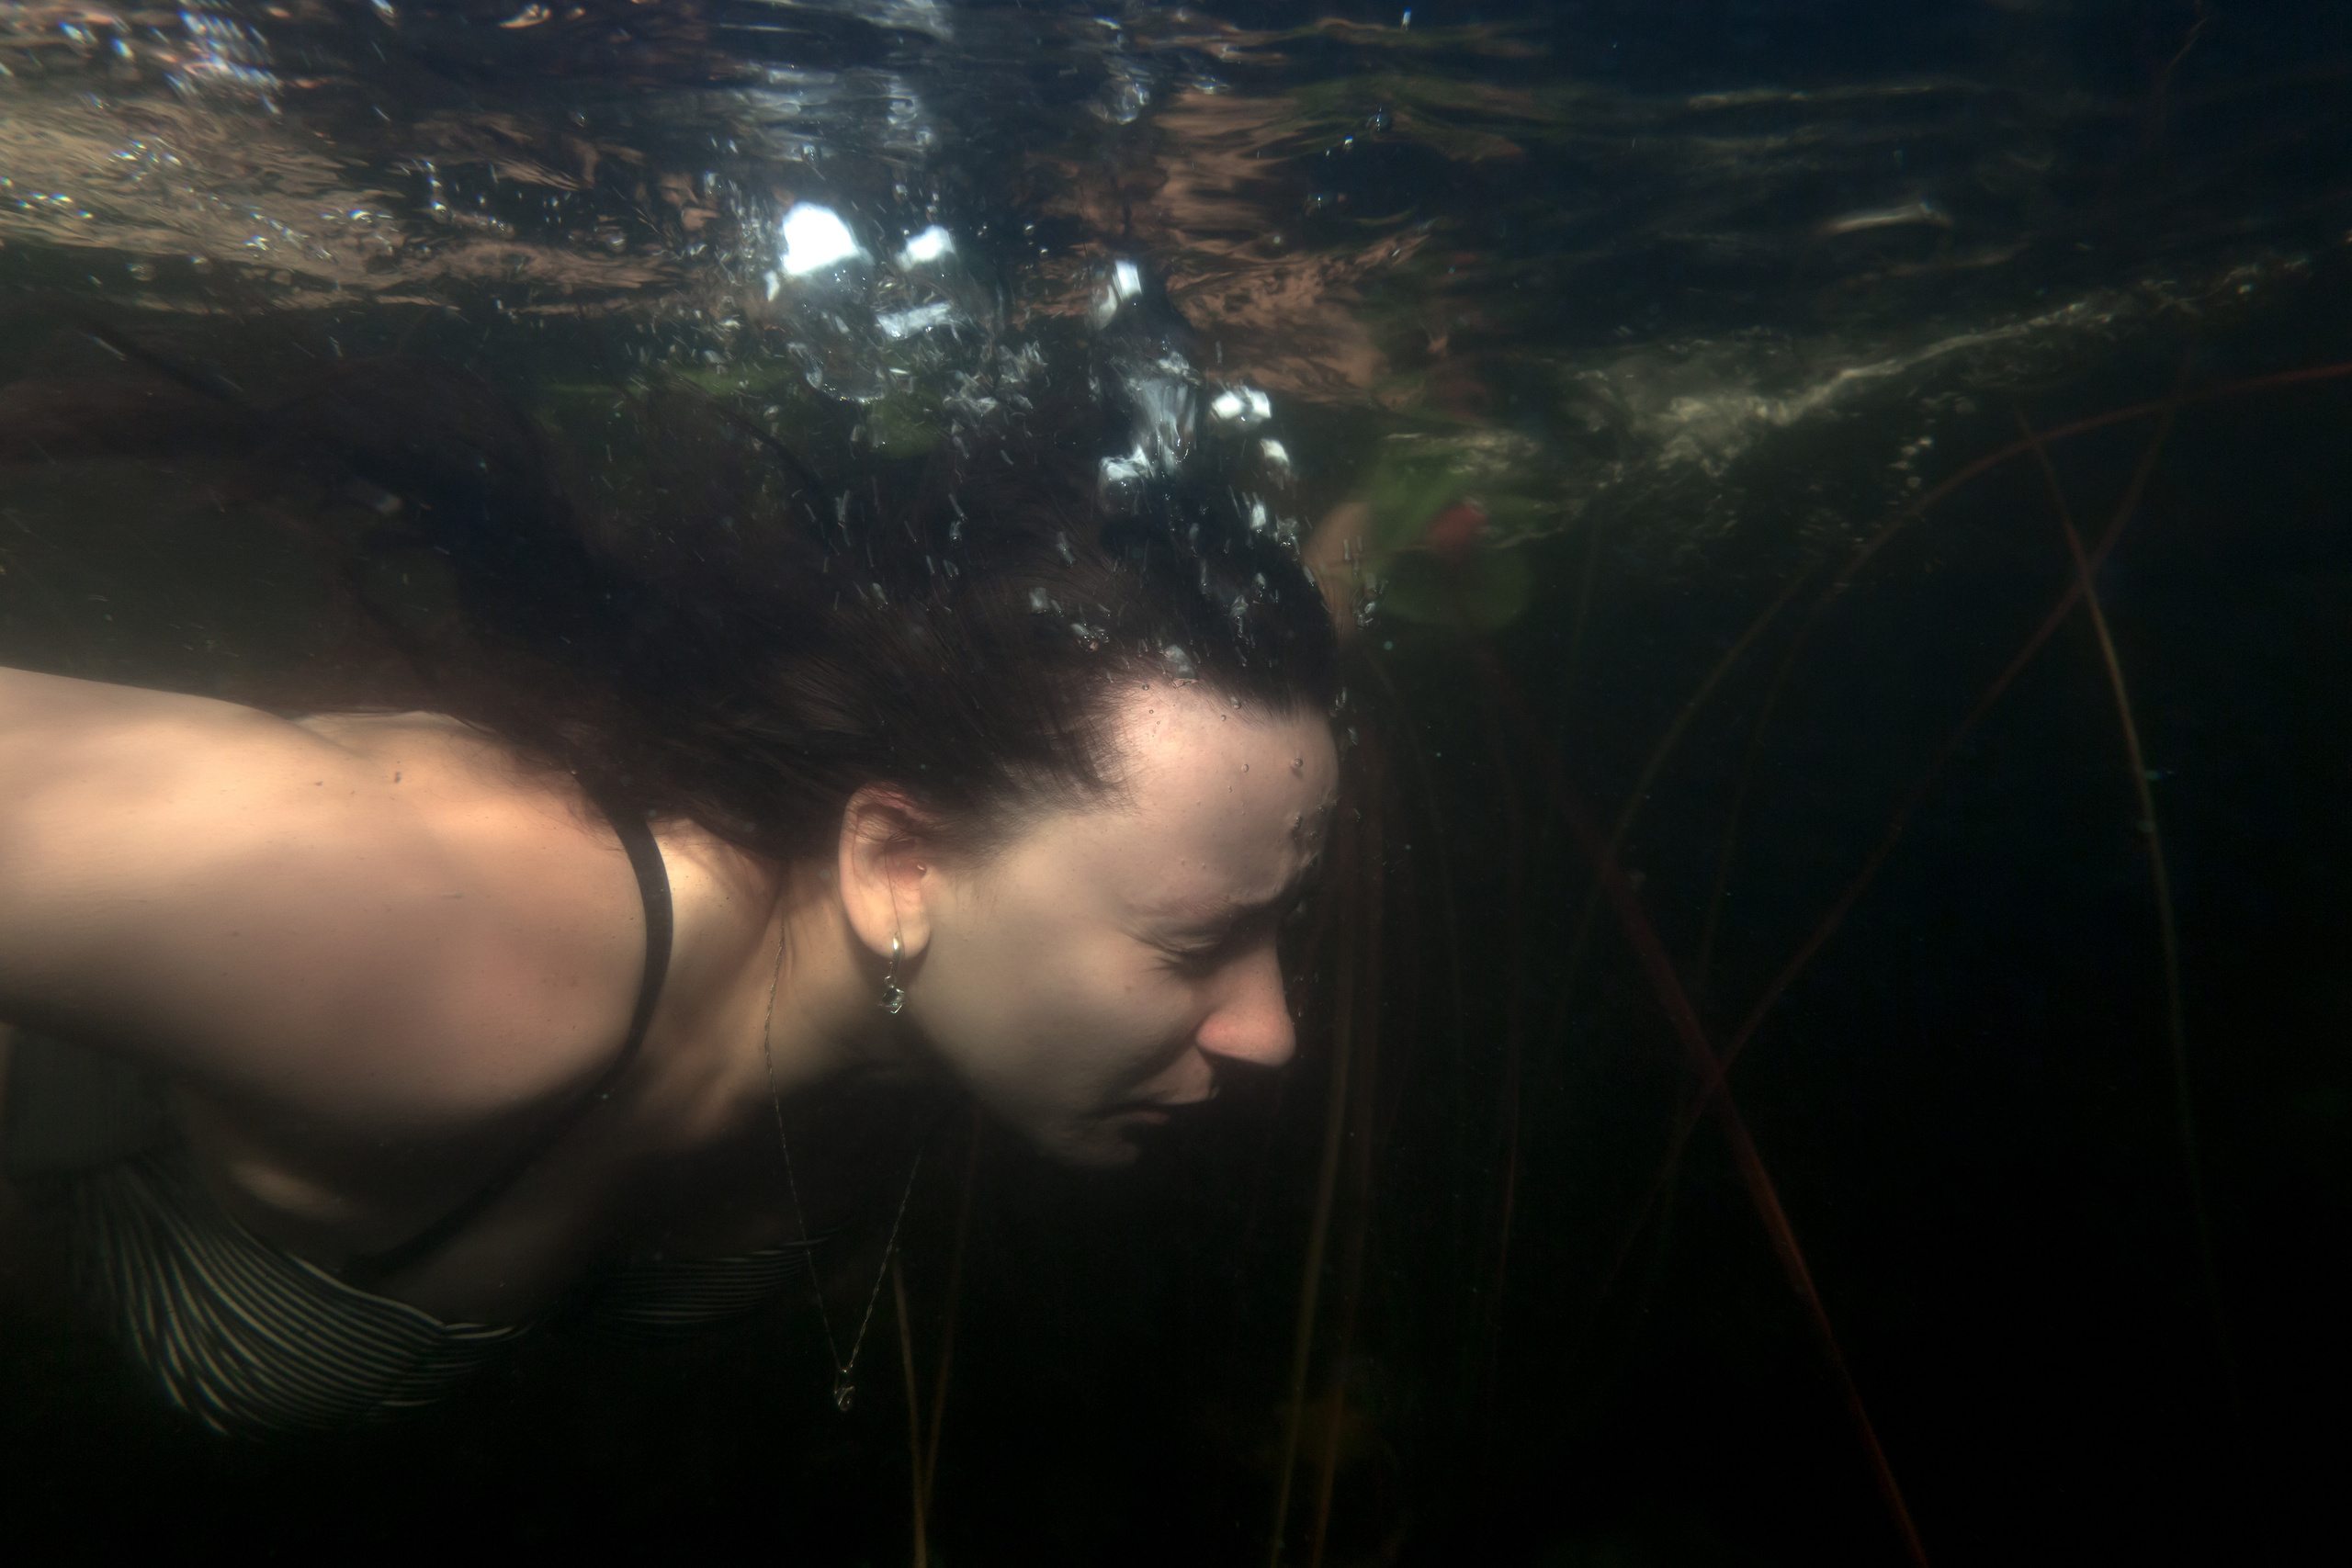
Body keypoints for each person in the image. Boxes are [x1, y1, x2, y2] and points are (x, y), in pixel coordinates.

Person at [0, 332, 1342, 1434]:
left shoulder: (929, 1022)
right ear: (898, 864)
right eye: (1193, 944)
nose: (1273, 1032)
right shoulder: (458, 927)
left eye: (1280, 927)